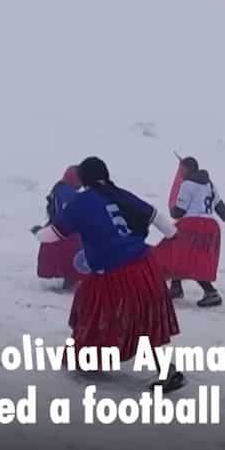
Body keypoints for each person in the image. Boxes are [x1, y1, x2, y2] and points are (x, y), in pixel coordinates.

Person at [35, 156, 185, 391]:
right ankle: (166, 370)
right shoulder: (121, 194)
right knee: (143, 319)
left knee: (92, 312)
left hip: (114, 272)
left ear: (84, 178)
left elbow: (53, 235)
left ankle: (90, 358)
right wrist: (169, 236)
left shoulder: (81, 202)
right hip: (144, 266)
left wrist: (38, 233)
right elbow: (163, 224)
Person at [154, 156, 225, 307]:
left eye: (182, 169)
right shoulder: (209, 184)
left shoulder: (187, 184)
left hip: (192, 225)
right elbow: (219, 204)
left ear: (186, 169)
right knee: (185, 255)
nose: (180, 173)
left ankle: (211, 293)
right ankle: (176, 287)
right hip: (211, 226)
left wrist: (173, 210)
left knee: (174, 253)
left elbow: (180, 211)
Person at [32, 166, 85, 290]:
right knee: (70, 259)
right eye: (80, 180)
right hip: (65, 234)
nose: (81, 184)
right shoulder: (67, 193)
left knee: (64, 260)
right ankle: (70, 282)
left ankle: (69, 281)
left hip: (57, 230)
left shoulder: (60, 188)